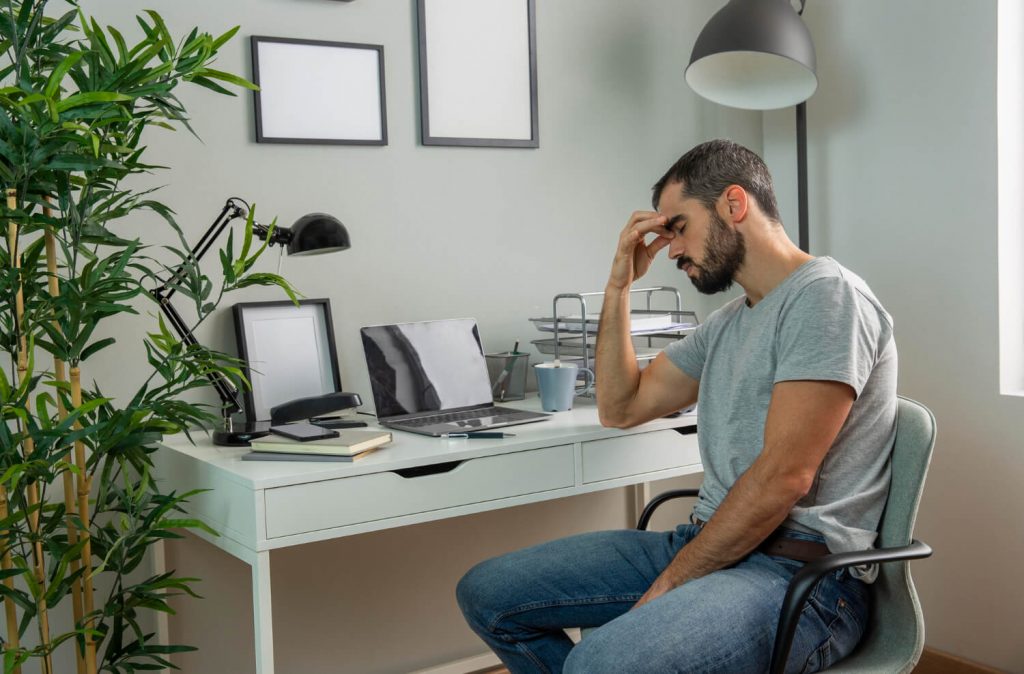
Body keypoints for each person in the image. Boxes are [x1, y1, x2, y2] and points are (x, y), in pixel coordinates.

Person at [455, 139, 897, 673]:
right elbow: (620, 407)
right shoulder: (729, 322)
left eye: (680, 227)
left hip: (801, 578)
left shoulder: (827, 298)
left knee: (600, 664)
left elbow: (783, 478)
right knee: (488, 593)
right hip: (710, 542)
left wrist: (664, 590)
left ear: (734, 204)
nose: (672, 251)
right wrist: (618, 285)